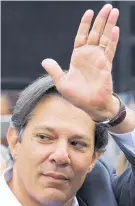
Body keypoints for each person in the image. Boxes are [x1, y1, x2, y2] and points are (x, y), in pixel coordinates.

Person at [0, 4, 135, 206]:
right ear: (14, 141)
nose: (61, 156)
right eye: (45, 137)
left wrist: (113, 112)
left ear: (94, 158)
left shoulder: (106, 196)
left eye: (77, 144)